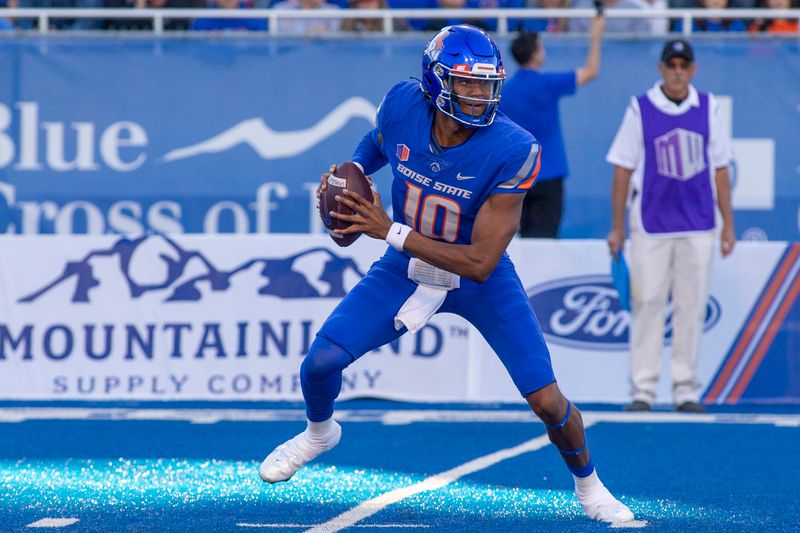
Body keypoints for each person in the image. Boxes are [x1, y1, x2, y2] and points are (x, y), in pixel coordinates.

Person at [258, 24, 634, 525]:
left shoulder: (513, 148)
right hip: (407, 268)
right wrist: (350, 173)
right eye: (468, 83)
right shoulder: (402, 105)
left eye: (486, 83)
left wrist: (387, 229)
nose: (480, 94)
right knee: (320, 363)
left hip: (479, 277)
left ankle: (590, 488)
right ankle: (319, 433)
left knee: (546, 400)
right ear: (436, 82)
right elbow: (376, 142)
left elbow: (480, 262)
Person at [605, 39, 735, 414]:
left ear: (692, 69)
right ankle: (643, 389)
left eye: (684, 64)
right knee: (647, 303)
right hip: (651, 223)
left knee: (691, 307)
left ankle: (685, 388)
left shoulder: (708, 108)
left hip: (698, 223)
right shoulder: (640, 108)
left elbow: (721, 169)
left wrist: (728, 224)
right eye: (672, 64)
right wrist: (617, 228)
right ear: (661, 68)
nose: (678, 71)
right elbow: (622, 170)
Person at [500, 13, 605, 238]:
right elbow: (591, 70)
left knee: (518, 245)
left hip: (516, 178)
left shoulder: (504, 92)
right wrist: (596, 35)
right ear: (536, 54)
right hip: (549, 175)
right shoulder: (548, 84)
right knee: (544, 244)